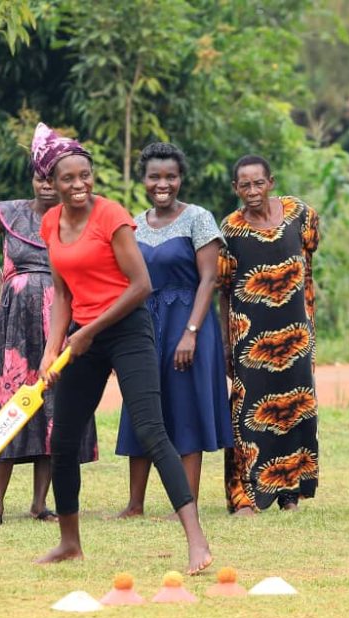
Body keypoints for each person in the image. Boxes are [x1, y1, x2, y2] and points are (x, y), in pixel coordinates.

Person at [32, 135, 213, 574]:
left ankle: (197, 542)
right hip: (83, 337)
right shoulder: (51, 222)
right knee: (63, 439)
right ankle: (70, 542)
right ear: (50, 181)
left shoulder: (110, 215)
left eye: (85, 176)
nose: (79, 185)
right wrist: (52, 347)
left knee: (152, 430)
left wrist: (89, 332)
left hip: (128, 329)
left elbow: (141, 286)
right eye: (68, 178)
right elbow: (60, 293)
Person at [0, 123, 98, 526]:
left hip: (60, 321)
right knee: (3, 406)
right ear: (35, 178)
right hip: (13, 327)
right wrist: (3, 279)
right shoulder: (9, 212)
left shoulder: (75, 218)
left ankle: (41, 503)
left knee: (52, 408)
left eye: (51, 179)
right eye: (40, 177)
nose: (45, 185)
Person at [115, 143, 232, 518]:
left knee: (184, 408)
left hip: (187, 322)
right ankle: (135, 504)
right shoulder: (133, 224)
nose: (162, 184)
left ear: (181, 178)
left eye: (170, 176)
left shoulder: (198, 218)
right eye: (155, 177)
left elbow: (209, 278)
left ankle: (186, 503)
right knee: (141, 406)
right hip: (145, 325)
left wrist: (191, 332)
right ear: (144, 180)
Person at [219, 154, 320, 514]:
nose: (252, 191)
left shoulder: (299, 214)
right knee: (247, 412)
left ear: (271, 182)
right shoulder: (229, 230)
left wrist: (308, 319)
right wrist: (226, 344)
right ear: (235, 188)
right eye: (244, 185)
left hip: (296, 333)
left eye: (258, 183)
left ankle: (289, 491)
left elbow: (308, 266)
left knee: (294, 410)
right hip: (250, 338)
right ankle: (243, 494)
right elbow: (224, 290)